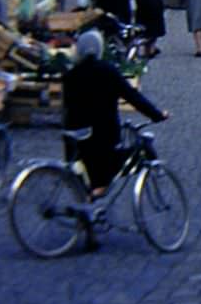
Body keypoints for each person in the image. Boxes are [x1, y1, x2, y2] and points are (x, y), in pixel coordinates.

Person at [62, 29, 168, 198]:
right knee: (115, 164)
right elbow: (132, 96)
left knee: (94, 176)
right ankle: (93, 201)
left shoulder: (71, 74)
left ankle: (90, 204)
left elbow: (67, 106)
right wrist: (156, 114)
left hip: (73, 138)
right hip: (100, 135)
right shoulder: (107, 71)